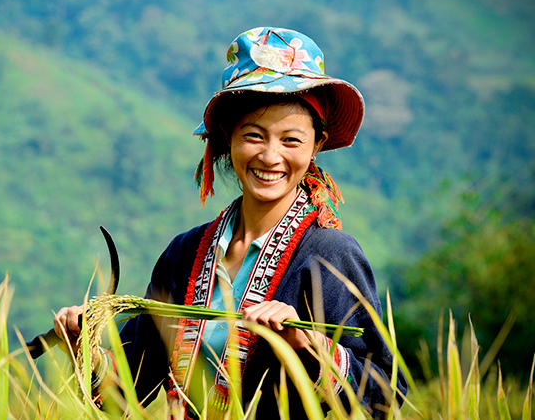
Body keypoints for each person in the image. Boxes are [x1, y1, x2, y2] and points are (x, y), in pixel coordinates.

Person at [54, 27, 407, 418]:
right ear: (228, 135)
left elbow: (386, 398)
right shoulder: (184, 254)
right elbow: (125, 394)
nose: (270, 156)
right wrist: (80, 345)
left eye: (291, 140)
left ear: (317, 145)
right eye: (254, 135)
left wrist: (306, 344)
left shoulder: (329, 256)